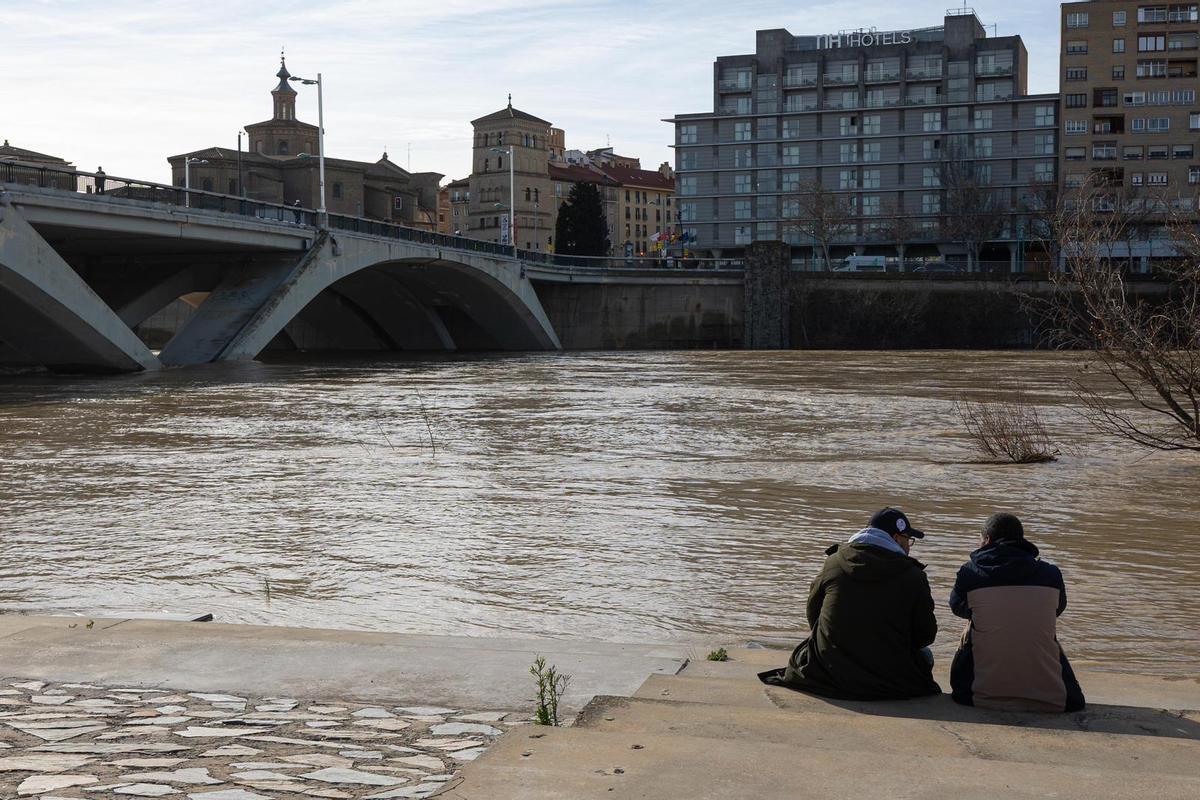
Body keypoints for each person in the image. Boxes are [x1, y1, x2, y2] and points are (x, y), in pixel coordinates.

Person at [760, 508, 940, 700]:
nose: (909, 546)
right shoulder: (914, 576)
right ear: (896, 538)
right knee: (926, 656)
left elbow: (814, 614)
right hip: (889, 680)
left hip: (829, 673)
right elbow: (925, 635)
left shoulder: (834, 563)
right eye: (908, 540)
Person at [949, 513, 1085, 712]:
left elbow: (958, 608)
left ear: (986, 540)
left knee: (975, 619)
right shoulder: (1051, 574)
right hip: (1056, 698)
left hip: (973, 695)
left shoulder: (970, 573)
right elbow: (1057, 609)